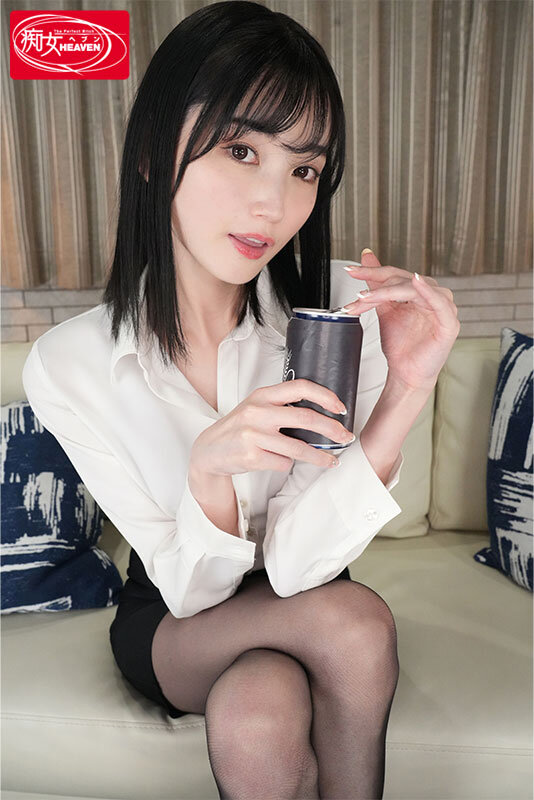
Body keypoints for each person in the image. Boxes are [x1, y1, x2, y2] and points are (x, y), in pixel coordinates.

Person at [22, 2, 460, 798]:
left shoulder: (344, 315)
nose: (274, 204)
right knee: (353, 622)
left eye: (304, 170)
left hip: (312, 584)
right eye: (240, 149)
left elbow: (299, 568)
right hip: (175, 616)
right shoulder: (69, 365)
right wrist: (209, 476)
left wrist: (408, 389)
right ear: (153, 152)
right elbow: (192, 592)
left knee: (260, 707)